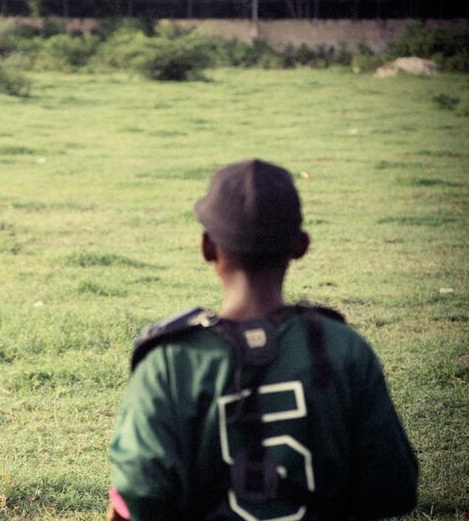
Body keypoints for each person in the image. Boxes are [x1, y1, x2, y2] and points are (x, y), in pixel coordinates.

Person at [107, 159, 418, 521]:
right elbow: (393, 489)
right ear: (301, 246)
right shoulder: (344, 348)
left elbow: (139, 496)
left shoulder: (170, 361)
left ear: (207, 247)